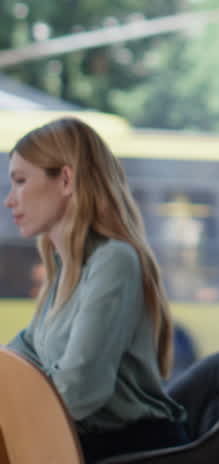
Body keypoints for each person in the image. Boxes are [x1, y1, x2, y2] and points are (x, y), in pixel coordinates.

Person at [5, 117, 188, 462]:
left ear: (65, 179)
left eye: (19, 182)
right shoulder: (67, 269)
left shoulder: (113, 260)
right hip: (87, 442)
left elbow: (79, 391)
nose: (9, 201)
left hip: (129, 449)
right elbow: (21, 359)